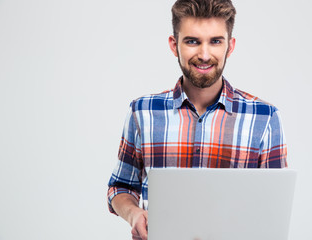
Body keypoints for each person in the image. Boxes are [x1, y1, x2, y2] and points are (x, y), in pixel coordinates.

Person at [107, 0, 287, 239]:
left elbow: (275, 209)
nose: (204, 55)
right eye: (192, 41)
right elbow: (120, 187)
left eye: (215, 41)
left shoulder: (264, 118)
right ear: (174, 45)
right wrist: (133, 213)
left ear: (230, 47)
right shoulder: (142, 112)